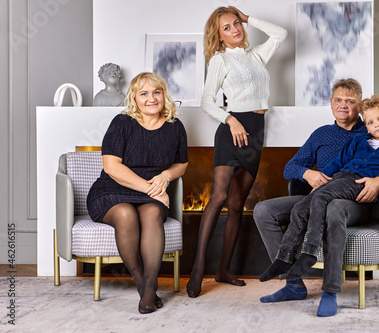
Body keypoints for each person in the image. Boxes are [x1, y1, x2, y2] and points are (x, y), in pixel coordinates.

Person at [254, 79, 379, 317]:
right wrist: (309, 173)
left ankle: (330, 292)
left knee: (334, 207)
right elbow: (290, 167)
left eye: (350, 101)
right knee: (264, 211)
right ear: (331, 103)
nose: (343, 105)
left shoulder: (370, 128)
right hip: (317, 195)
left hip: (355, 202)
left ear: (360, 105)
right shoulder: (321, 134)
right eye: (338, 100)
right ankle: (293, 283)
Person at [186, 6, 287, 298]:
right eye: (226, 28)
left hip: (255, 131)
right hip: (232, 131)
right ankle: (197, 269)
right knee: (218, 196)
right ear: (217, 36)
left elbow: (281, 34)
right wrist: (230, 120)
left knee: (237, 204)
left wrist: (248, 18)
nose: (235, 30)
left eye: (235, 24)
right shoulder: (219, 60)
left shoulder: (255, 55)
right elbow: (207, 101)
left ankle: (224, 270)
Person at [87, 72, 188, 314]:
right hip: (112, 190)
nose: (151, 98)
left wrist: (164, 178)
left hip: (151, 194)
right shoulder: (122, 123)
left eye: (156, 92)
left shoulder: (175, 126)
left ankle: (149, 288)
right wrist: (152, 189)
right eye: (144, 94)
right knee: (125, 215)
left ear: (164, 95)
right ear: (134, 97)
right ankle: (144, 286)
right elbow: (111, 167)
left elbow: (181, 164)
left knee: (153, 214)